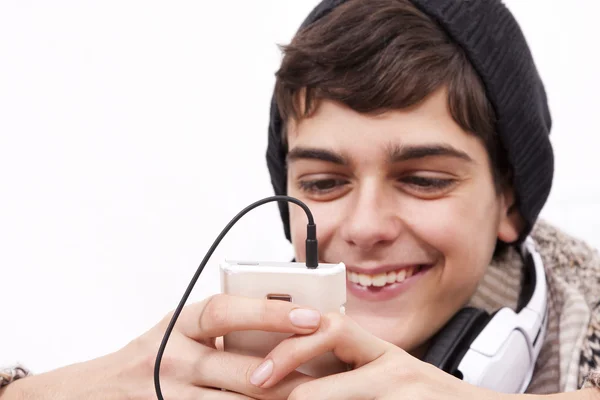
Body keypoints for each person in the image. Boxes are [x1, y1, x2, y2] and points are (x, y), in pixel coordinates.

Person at [2, 0, 599, 398]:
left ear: (511, 202)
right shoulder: (235, 353)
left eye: (423, 179)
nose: (364, 228)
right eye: (323, 184)